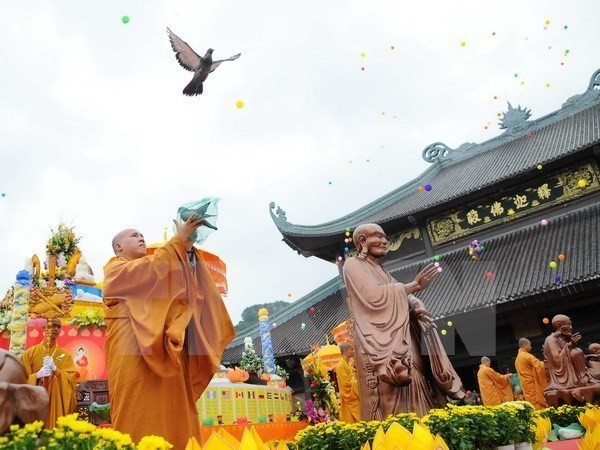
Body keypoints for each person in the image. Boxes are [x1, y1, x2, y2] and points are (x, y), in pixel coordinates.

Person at [103, 215, 235, 448]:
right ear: (118, 247)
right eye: (134, 235)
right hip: (132, 355)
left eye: (142, 234)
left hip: (165, 351)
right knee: (138, 410)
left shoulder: (154, 269)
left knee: (175, 410)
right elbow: (149, 270)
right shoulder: (115, 269)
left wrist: (186, 251)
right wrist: (177, 240)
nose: (141, 237)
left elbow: (184, 292)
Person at [343, 223, 464, 419]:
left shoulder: (382, 270)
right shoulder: (353, 265)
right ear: (363, 241)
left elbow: (401, 294)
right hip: (378, 343)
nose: (384, 241)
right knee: (392, 397)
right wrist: (413, 286)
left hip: (404, 338)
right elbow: (374, 296)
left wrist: (417, 306)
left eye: (385, 237)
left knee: (417, 381)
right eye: (378, 236)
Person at [20, 318, 77, 428]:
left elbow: (71, 380)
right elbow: (19, 381)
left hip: (56, 403)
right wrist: (36, 376)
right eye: (52, 325)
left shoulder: (66, 355)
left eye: (58, 326)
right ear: (44, 328)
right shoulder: (29, 354)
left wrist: (56, 370)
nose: (55, 328)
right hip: (36, 402)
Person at [543, 315, 600, 392]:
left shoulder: (563, 338)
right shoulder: (551, 339)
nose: (571, 327)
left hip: (581, 371)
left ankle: (585, 376)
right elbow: (556, 359)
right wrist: (570, 345)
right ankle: (583, 377)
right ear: (559, 325)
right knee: (576, 352)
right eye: (569, 324)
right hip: (564, 378)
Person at [514, 338, 548, 409]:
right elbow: (539, 366)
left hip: (526, 386)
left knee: (532, 404)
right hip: (533, 385)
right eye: (529, 345)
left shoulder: (517, 359)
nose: (531, 347)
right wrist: (548, 363)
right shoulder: (527, 356)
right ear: (524, 345)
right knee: (538, 403)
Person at [334, 342, 360, 423]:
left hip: (355, 398)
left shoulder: (349, 364)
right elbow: (345, 385)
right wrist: (358, 383)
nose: (353, 351)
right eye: (351, 349)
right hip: (349, 398)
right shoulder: (340, 366)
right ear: (345, 351)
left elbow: (353, 377)